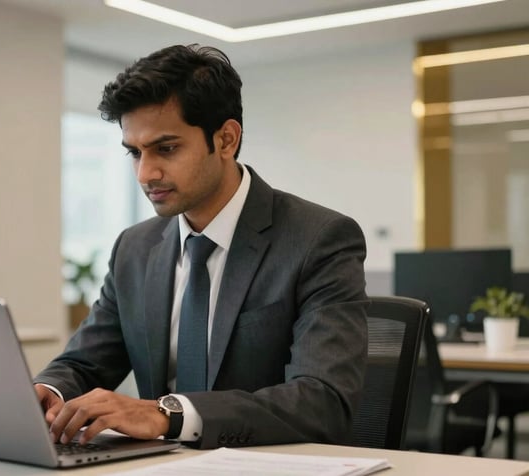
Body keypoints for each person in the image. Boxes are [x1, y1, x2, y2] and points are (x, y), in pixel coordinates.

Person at [34, 44, 368, 450]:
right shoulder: (134, 249)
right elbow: (85, 362)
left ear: (226, 139)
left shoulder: (319, 239)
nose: (145, 173)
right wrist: (49, 390)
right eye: (134, 152)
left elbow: (323, 401)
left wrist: (168, 415)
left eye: (166, 148)